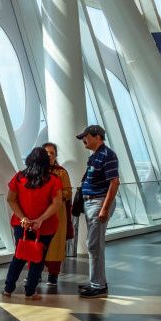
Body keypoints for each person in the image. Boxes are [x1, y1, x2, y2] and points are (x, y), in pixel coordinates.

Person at [2, 147, 63, 299]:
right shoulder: (53, 180)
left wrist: (23, 218)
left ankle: (8, 289)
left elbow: (11, 199)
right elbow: (57, 203)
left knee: (19, 256)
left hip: (21, 225)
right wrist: (40, 219)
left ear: (29, 159)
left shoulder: (18, 178)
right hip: (45, 227)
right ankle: (30, 291)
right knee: (38, 259)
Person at [76, 125, 120, 298]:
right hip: (91, 203)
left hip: (98, 203)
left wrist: (105, 208)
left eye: (85, 137)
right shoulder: (95, 156)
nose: (83, 140)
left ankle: (99, 286)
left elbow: (114, 182)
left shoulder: (108, 155)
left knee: (95, 245)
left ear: (97, 137)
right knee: (93, 244)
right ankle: (96, 281)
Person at [41, 142, 72, 286]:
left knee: (55, 245)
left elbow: (68, 191)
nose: (49, 155)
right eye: (46, 152)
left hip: (57, 214)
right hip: (39, 214)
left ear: (56, 156)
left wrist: (55, 196)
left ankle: (53, 275)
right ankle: (36, 273)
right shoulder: (35, 171)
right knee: (37, 244)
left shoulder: (61, 172)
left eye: (52, 153)